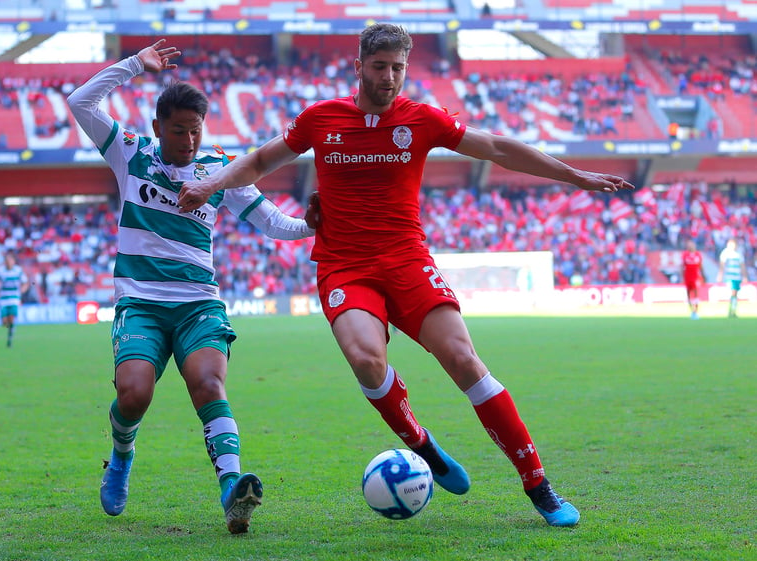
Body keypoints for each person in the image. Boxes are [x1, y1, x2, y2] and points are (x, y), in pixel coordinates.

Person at [177, 23, 634, 527]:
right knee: (366, 360)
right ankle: (424, 446)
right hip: (344, 265)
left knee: (464, 359)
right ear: (358, 68)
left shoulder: (422, 119)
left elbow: (497, 148)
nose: (389, 77)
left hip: (407, 260)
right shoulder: (320, 119)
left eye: (397, 67)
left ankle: (538, 486)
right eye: (379, 67)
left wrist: (575, 175)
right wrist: (212, 184)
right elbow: (263, 159)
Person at [67, 39, 317, 534]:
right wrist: (137, 64)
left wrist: (310, 224)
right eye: (178, 130)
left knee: (208, 384)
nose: (188, 139)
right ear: (158, 127)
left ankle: (231, 490)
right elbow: (80, 102)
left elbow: (273, 224)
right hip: (140, 303)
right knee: (133, 395)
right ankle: (121, 457)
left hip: (198, 304)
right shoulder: (129, 151)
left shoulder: (220, 169)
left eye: (196, 130)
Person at [0, 250, 28, 348]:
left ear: (13, 261)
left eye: (10, 260)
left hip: (14, 298)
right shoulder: (1, 271)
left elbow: (25, 282)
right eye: (7, 260)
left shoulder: (18, 270)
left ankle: (10, 337)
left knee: (12, 318)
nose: (8, 262)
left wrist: (22, 289)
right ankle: (10, 328)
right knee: (4, 321)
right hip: (3, 298)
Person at [717, 238, 747, 318]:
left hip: (737, 277)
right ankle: (730, 310)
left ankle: (733, 310)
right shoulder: (725, 253)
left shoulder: (739, 254)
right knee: (732, 292)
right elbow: (722, 266)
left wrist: (744, 276)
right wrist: (720, 276)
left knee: (735, 294)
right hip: (729, 277)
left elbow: (742, 266)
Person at [681, 239, 705, 319]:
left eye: (691, 244)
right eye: (689, 245)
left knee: (696, 293)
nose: (690, 246)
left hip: (696, 277)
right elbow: (682, 267)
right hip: (688, 277)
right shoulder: (685, 255)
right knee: (688, 294)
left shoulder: (698, 254)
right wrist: (682, 277)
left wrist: (703, 275)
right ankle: (692, 311)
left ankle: (696, 311)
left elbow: (701, 266)